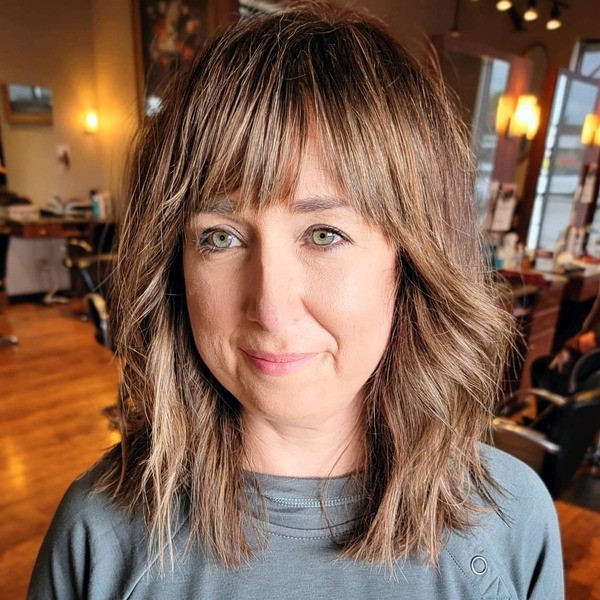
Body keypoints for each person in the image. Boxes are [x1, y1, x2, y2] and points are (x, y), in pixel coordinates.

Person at [28, 3, 563, 598]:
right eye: (220, 236)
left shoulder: (511, 521)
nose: (271, 309)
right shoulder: (98, 533)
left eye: (324, 234)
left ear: (411, 261)